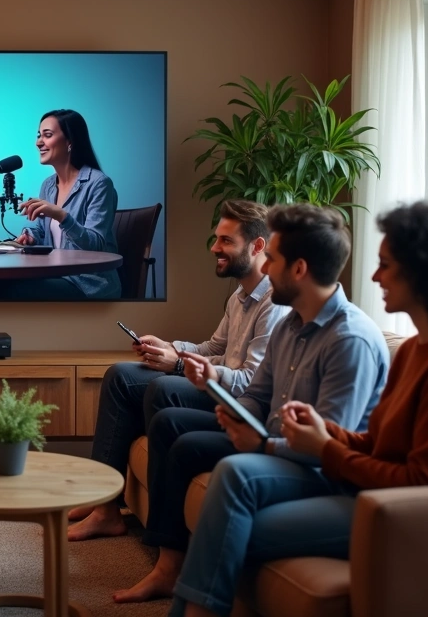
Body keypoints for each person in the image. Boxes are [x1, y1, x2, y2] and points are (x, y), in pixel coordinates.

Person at [169, 202, 428, 617]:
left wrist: (321, 448)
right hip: (370, 491)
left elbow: (424, 483)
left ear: (425, 272)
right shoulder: (413, 351)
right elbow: (377, 442)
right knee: (229, 497)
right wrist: (324, 434)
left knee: (233, 507)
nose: (373, 276)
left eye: (385, 265)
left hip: (413, 517)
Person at [116, 203, 390, 604]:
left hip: (314, 468)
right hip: (272, 442)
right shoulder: (293, 323)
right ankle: (169, 566)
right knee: (182, 438)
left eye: (273, 259)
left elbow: (325, 449)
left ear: (298, 269)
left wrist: (261, 445)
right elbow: (256, 397)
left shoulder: (350, 340)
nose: (265, 268)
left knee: (230, 472)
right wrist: (224, 399)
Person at [68, 199, 290, 542]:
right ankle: (106, 507)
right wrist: (171, 348)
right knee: (121, 374)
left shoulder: (274, 303)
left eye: (226, 241)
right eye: (217, 238)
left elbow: (249, 383)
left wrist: (181, 365)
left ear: (258, 246)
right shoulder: (239, 298)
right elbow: (214, 349)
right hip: (215, 384)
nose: (215, 248)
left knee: (163, 389)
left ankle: (161, 531)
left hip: (237, 402)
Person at [0, 109, 121, 299]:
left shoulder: (99, 184)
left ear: (70, 142)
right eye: (39, 136)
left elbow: (96, 245)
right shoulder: (49, 185)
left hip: (87, 284)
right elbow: (42, 230)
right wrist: (30, 235)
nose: (38, 142)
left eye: (47, 135)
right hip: (55, 275)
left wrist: (61, 216)